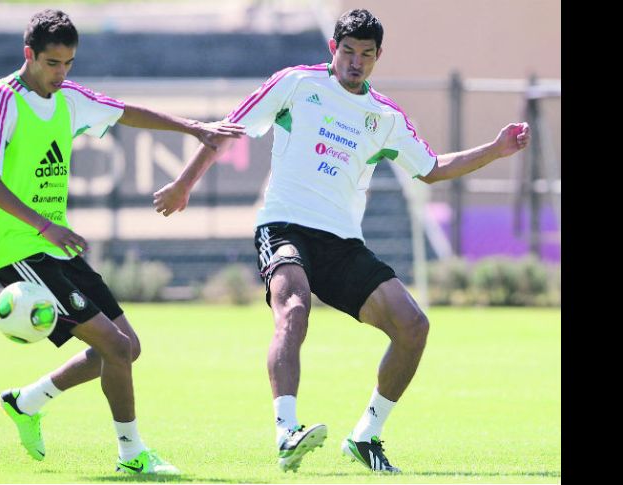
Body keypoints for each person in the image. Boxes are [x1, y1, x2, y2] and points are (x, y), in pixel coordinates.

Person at [153, 8, 530, 474]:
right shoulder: (297, 84)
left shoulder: (385, 116)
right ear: (333, 49)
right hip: (285, 226)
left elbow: (431, 169)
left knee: (413, 327)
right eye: (348, 51)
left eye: (366, 55)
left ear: (377, 58)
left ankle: (366, 436)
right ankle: (286, 430)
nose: (355, 62)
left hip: (342, 243)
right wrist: (184, 184)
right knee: (293, 305)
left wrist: (496, 150)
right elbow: (228, 130)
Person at [0, 9, 244, 475]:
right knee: (115, 348)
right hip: (21, 250)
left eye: (69, 64)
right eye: (53, 63)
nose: (61, 73)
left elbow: (125, 113)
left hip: (56, 247)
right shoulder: (1, 98)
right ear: (29, 55)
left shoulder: (70, 99)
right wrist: (45, 226)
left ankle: (28, 401)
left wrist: (194, 128)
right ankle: (132, 454)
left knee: (126, 347)